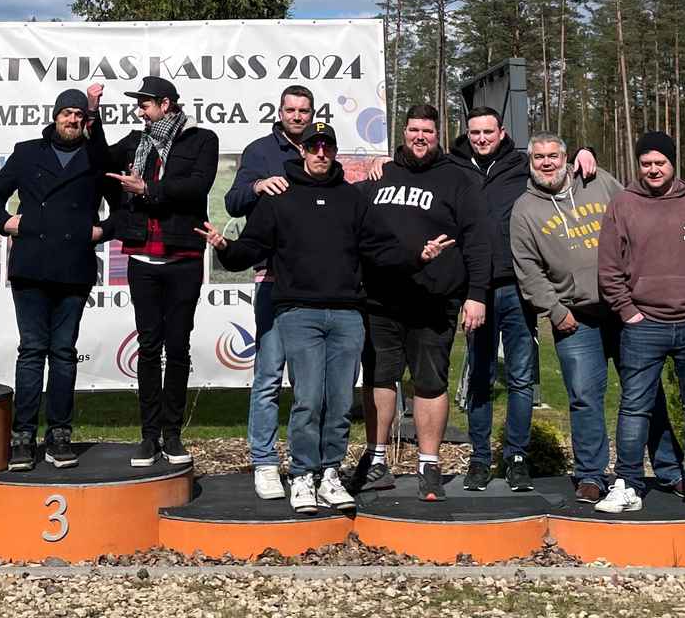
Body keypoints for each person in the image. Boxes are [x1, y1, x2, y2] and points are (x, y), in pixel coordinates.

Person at [198, 123, 454, 514]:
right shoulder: (280, 197)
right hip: (298, 313)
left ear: (334, 152)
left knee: (339, 402)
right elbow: (251, 246)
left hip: (347, 315)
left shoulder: (352, 199)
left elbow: (380, 249)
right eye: (314, 146)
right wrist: (225, 248)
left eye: (327, 147)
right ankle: (303, 475)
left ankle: (330, 473)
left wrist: (417, 256)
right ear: (302, 151)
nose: (320, 153)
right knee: (308, 399)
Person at [510, 132, 685, 504]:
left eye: (554, 156)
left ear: (567, 158)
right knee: (584, 398)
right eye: (539, 157)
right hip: (575, 319)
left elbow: (636, 218)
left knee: (646, 392)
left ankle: (670, 470)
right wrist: (556, 311)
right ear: (531, 162)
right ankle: (591, 474)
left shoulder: (598, 181)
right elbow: (528, 270)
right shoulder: (525, 210)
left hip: (626, 310)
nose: (547, 163)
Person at [448, 107, 595, 491]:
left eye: (488, 131)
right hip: (476, 291)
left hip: (517, 288)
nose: (482, 138)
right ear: (467, 133)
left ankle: (516, 457)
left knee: (520, 377)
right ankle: (480, 459)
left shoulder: (520, 165)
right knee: (480, 377)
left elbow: (555, 168)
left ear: (501, 132)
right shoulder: (453, 167)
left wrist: (586, 151)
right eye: (475, 132)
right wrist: (381, 163)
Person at [354, 104, 492, 501]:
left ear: (438, 135)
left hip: (434, 299)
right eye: (414, 130)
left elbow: (478, 240)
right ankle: (376, 459)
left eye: (427, 131)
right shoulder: (381, 176)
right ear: (403, 132)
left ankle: (429, 465)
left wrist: (477, 295)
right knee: (380, 378)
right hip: (380, 299)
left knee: (430, 382)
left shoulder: (457, 180)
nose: (420, 137)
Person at [0, 85, 117, 471]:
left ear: (85, 120)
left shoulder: (96, 158)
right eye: (66, 113)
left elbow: (123, 207)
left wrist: (101, 231)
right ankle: (22, 437)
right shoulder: (27, 152)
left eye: (78, 115)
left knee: (63, 352)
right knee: (31, 350)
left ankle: (59, 435)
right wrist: (6, 223)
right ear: (55, 116)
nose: (72, 120)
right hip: (31, 266)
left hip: (74, 268)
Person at [596, 131, 685, 514]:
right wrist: (629, 313)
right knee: (634, 408)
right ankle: (627, 483)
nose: (653, 170)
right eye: (646, 163)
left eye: (661, 163)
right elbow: (609, 269)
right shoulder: (623, 205)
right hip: (643, 326)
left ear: (673, 164)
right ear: (638, 165)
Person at [94, 75, 218, 467]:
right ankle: (148, 436)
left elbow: (197, 187)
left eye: (145, 104)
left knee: (177, 347)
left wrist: (147, 189)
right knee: (148, 348)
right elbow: (100, 161)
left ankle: (172, 434)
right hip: (142, 259)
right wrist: (93, 114)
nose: (139, 111)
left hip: (183, 257)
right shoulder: (136, 141)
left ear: (166, 105)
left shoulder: (202, 140)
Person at [224, 84, 316, 499]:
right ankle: (264, 461)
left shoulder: (320, 150)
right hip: (273, 279)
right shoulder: (260, 151)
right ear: (280, 112)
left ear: (312, 114)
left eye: (303, 111)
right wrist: (258, 186)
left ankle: (303, 465)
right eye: (290, 110)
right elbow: (232, 202)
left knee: (307, 384)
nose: (297, 116)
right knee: (268, 377)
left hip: (313, 283)